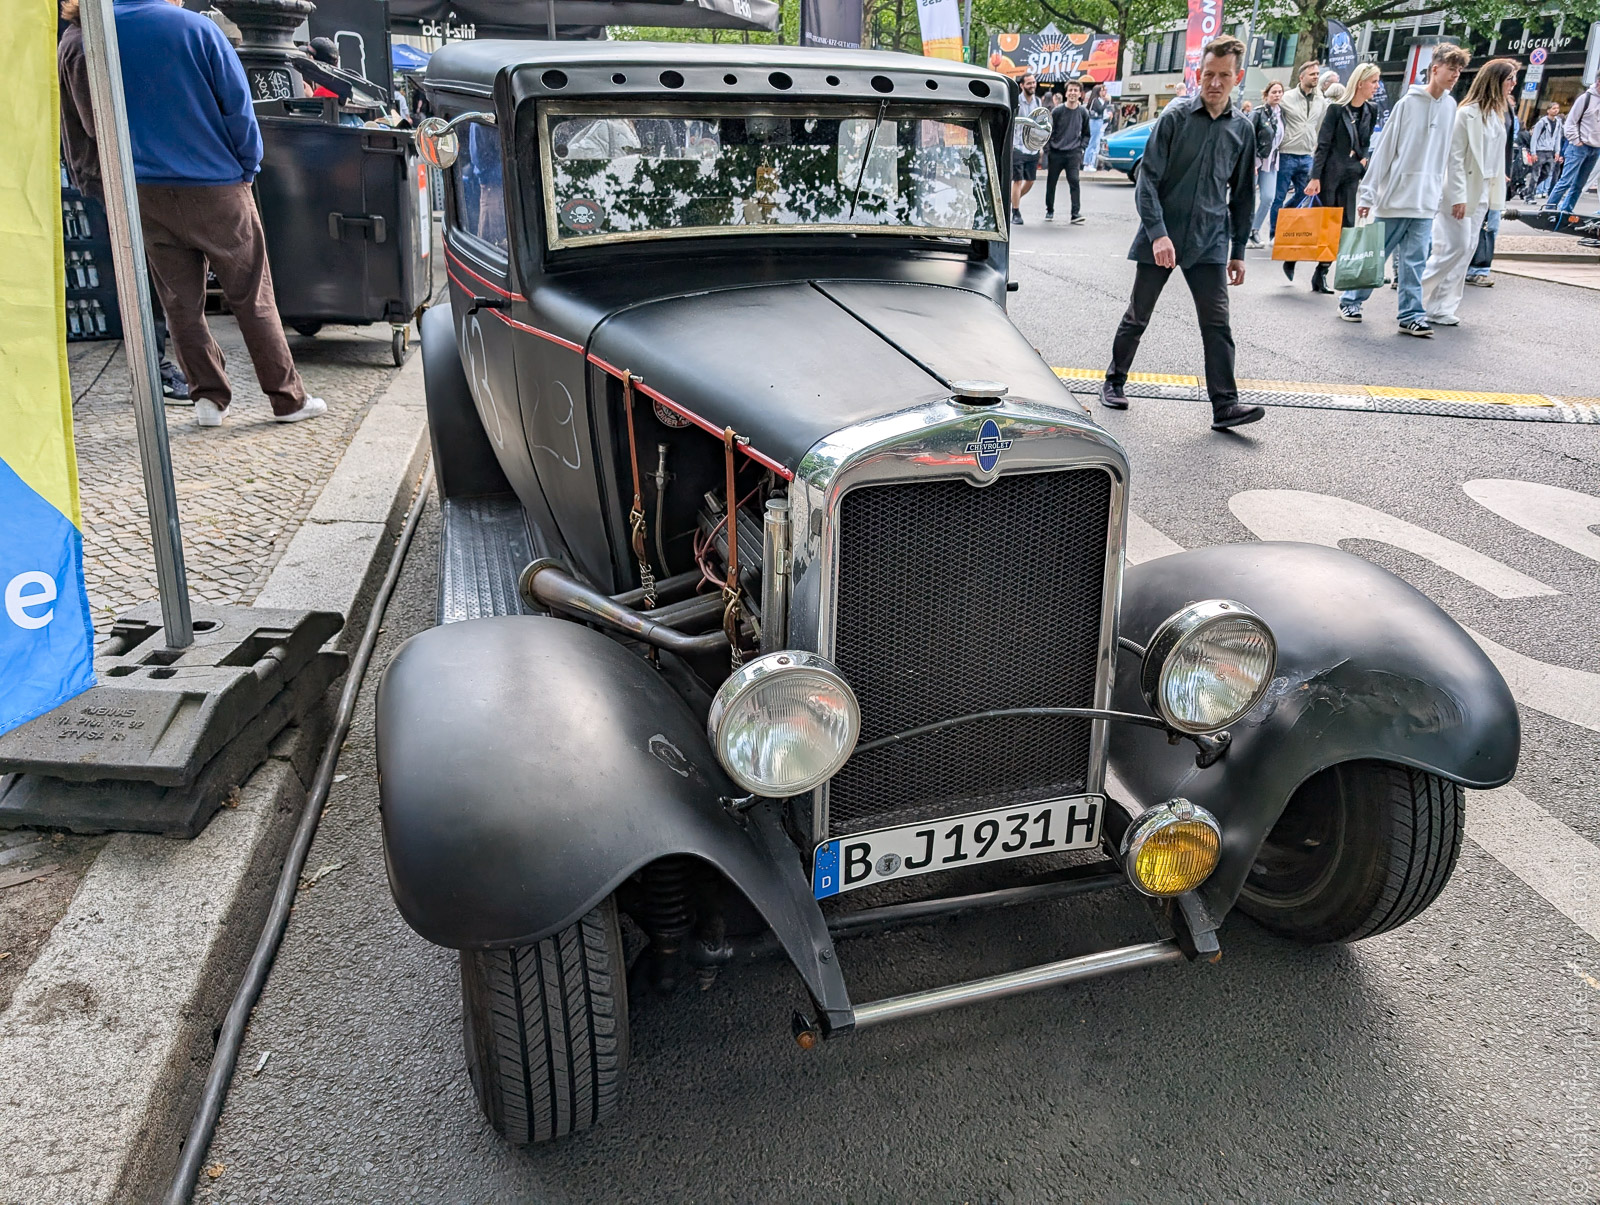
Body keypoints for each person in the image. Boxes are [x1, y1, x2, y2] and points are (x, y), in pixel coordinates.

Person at [114, 0, 325, 426]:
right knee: (251, 294)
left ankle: (208, 398)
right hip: (215, 183)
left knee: (180, 303)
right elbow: (238, 106)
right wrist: (249, 164)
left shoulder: (99, 32)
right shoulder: (196, 29)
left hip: (147, 187)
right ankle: (287, 399)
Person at [1100, 36, 1263, 432]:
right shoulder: (1175, 117)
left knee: (1217, 324)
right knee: (1138, 314)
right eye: (1208, 74)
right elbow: (1147, 181)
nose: (1215, 83)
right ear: (1198, 74)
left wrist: (1238, 250)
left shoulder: (1242, 129)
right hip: (1163, 234)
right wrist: (1157, 233)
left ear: (1238, 76)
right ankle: (1113, 382)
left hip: (1210, 239)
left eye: (1224, 75)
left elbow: (1243, 195)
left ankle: (1225, 406)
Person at [57, 0, 189, 401]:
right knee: (141, 275)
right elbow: (98, 123)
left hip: (108, 172)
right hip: (108, 176)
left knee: (143, 271)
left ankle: (155, 367)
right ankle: (154, 370)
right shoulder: (83, 44)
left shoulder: (83, 39)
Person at [1339, 43, 1466, 334]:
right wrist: (1368, 193)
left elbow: (1450, 155)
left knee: (1415, 261)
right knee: (1376, 255)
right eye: (1451, 68)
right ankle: (1350, 300)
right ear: (1435, 69)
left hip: (1426, 199)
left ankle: (1410, 314)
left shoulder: (1450, 107)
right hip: (1396, 197)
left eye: (1459, 70)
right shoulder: (1407, 104)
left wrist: (1451, 194)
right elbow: (1385, 150)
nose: (1456, 75)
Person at [1421, 58, 1516, 327]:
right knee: (1454, 246)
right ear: (1496, 81)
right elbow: (1455, 158)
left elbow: (1494, 155)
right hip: (1461, 189)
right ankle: (1417, 295)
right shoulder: (1466, 114)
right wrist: (1458, 196)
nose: (1513, 84)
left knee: (1467, 248)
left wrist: (1498, 179)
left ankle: (1442, 305)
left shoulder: (1497, 115)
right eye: (1510, 79)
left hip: (1483, 188)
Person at [1301, 62, 1380, 295]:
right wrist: (1315, 177)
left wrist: (1363, 160)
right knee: (1328, 224)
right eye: (1373, 81)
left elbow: (1366, 141)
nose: (1377, 86)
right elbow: (1323, 145)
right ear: (1360, 83)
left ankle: (1325, 270)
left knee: (1347, 225)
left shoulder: (1371, 109)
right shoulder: (1336, 110)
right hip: (1330, 175)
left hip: (1351, 175)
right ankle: (1315, 268)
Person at [1467, 70, 1520, 288]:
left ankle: (1479, 268)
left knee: (1491, 224)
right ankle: (1470, 268)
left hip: (1497, 176)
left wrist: (1504, 170)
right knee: (1476, 226)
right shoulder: (1474, 111)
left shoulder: (1506, 108)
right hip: (1477, 177)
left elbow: (1504, 145)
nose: (1514, 83)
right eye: (1510, 78)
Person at [1272, 60, 1328, 240]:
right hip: (1286, 153)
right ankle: (1274, 234)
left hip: (1306, 155)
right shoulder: (1287, 98)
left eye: (1317, 74)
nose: (1316, 77)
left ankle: (1286, 219)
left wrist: (1315, 146)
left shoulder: (1320, 100)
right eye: (1312, 74)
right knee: (1278, 196)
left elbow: (1319, 125)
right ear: (1301, 77)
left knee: (1305, 194)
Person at [1544, 78, 1600, 218]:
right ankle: (1549, 210)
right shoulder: (1586, 98)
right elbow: (1570, 122)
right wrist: (1576, 140)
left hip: (1596, 148)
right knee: (1566, 181)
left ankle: (1566, 210)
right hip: (1579, 146)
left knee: (1579, 184)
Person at [1044, 79, 1090, 223]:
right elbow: (1049, 131)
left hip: (1073, 153)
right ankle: (1049, 210)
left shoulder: (1083, 112)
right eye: (1070, 90)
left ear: (1080, 94)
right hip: (1056, 152)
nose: (1072, 93)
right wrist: (1048, 149)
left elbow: (1086, 133)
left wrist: (1081, 148)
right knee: (1051, 182)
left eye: (1076, 90)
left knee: (1074, 181)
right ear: (1066, 93)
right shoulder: (1057, 111)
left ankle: (1075, 213)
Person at [1248, 81, 1285, 248]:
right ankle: (1243, 232)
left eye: (1279, 92)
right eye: (1274, 92)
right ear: (1266, 95)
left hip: (1271, 161)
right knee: (1248, 198)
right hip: (1256, 160)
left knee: (1268, 197)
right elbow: (1248, 137)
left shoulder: (1282, 114)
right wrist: (1251, 161)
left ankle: (1254, 229)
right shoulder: (1258, 113)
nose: (1277, 95)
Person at [1011, 73, 1046, 225]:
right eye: (1029, 83)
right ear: (1022, 85)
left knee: (1030, 181)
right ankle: (1016, 211)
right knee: (1017, 180)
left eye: (1034, 82)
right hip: (1017, 146)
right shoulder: (1016, 101)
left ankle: (1012, 200)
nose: (1032, 85)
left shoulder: (1038, 101)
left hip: (1032, 147)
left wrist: (1040, 145)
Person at [1528, 102, 1564, 200]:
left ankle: (1529, 190)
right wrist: (1533, 152)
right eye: (1553, 108)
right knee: (1535, 174)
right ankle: (1529, 196)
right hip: (1540, 150)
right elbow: (1535, 137)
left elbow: (1557, 138)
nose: (1556, 110)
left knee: (1546, 174)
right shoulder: (1542, 122)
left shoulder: (1558, 123)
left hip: (1550, 151)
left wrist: (1557, 151)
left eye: (1557, 108)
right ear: (1548, 110)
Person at [1084, 83, 1108, 169]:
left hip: (1099, 121)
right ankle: (1087, 162)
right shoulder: (1096, 100)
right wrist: (1106, 103)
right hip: (1095, 121)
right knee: (1092, 142)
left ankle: (1091, 162)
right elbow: (1100, 109)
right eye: (1102, 90)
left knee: (1095, 143)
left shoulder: (1099, 100)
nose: (1104, 92)